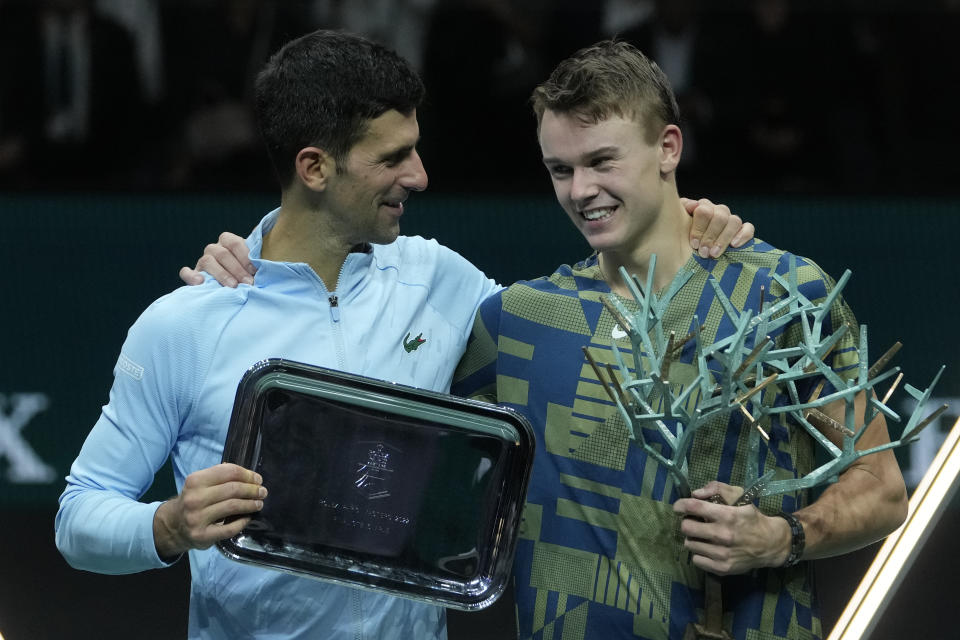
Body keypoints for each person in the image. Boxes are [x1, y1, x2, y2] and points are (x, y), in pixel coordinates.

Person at [55, 29, 748, 640]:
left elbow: (584, 327)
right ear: (315, 167)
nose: (418, 176)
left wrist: (678, 222)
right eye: (393, 158)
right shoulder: (185, 323)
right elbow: (79, 516)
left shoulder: (438, 279)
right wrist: (167, 526)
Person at [448, 41, 907, 639]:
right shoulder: (518, 321)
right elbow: (420, 471)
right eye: (561, 170)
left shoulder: (782, 295)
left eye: (603, 161)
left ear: (668, 147)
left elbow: (882, 490)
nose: (581, 190)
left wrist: (781, 537)